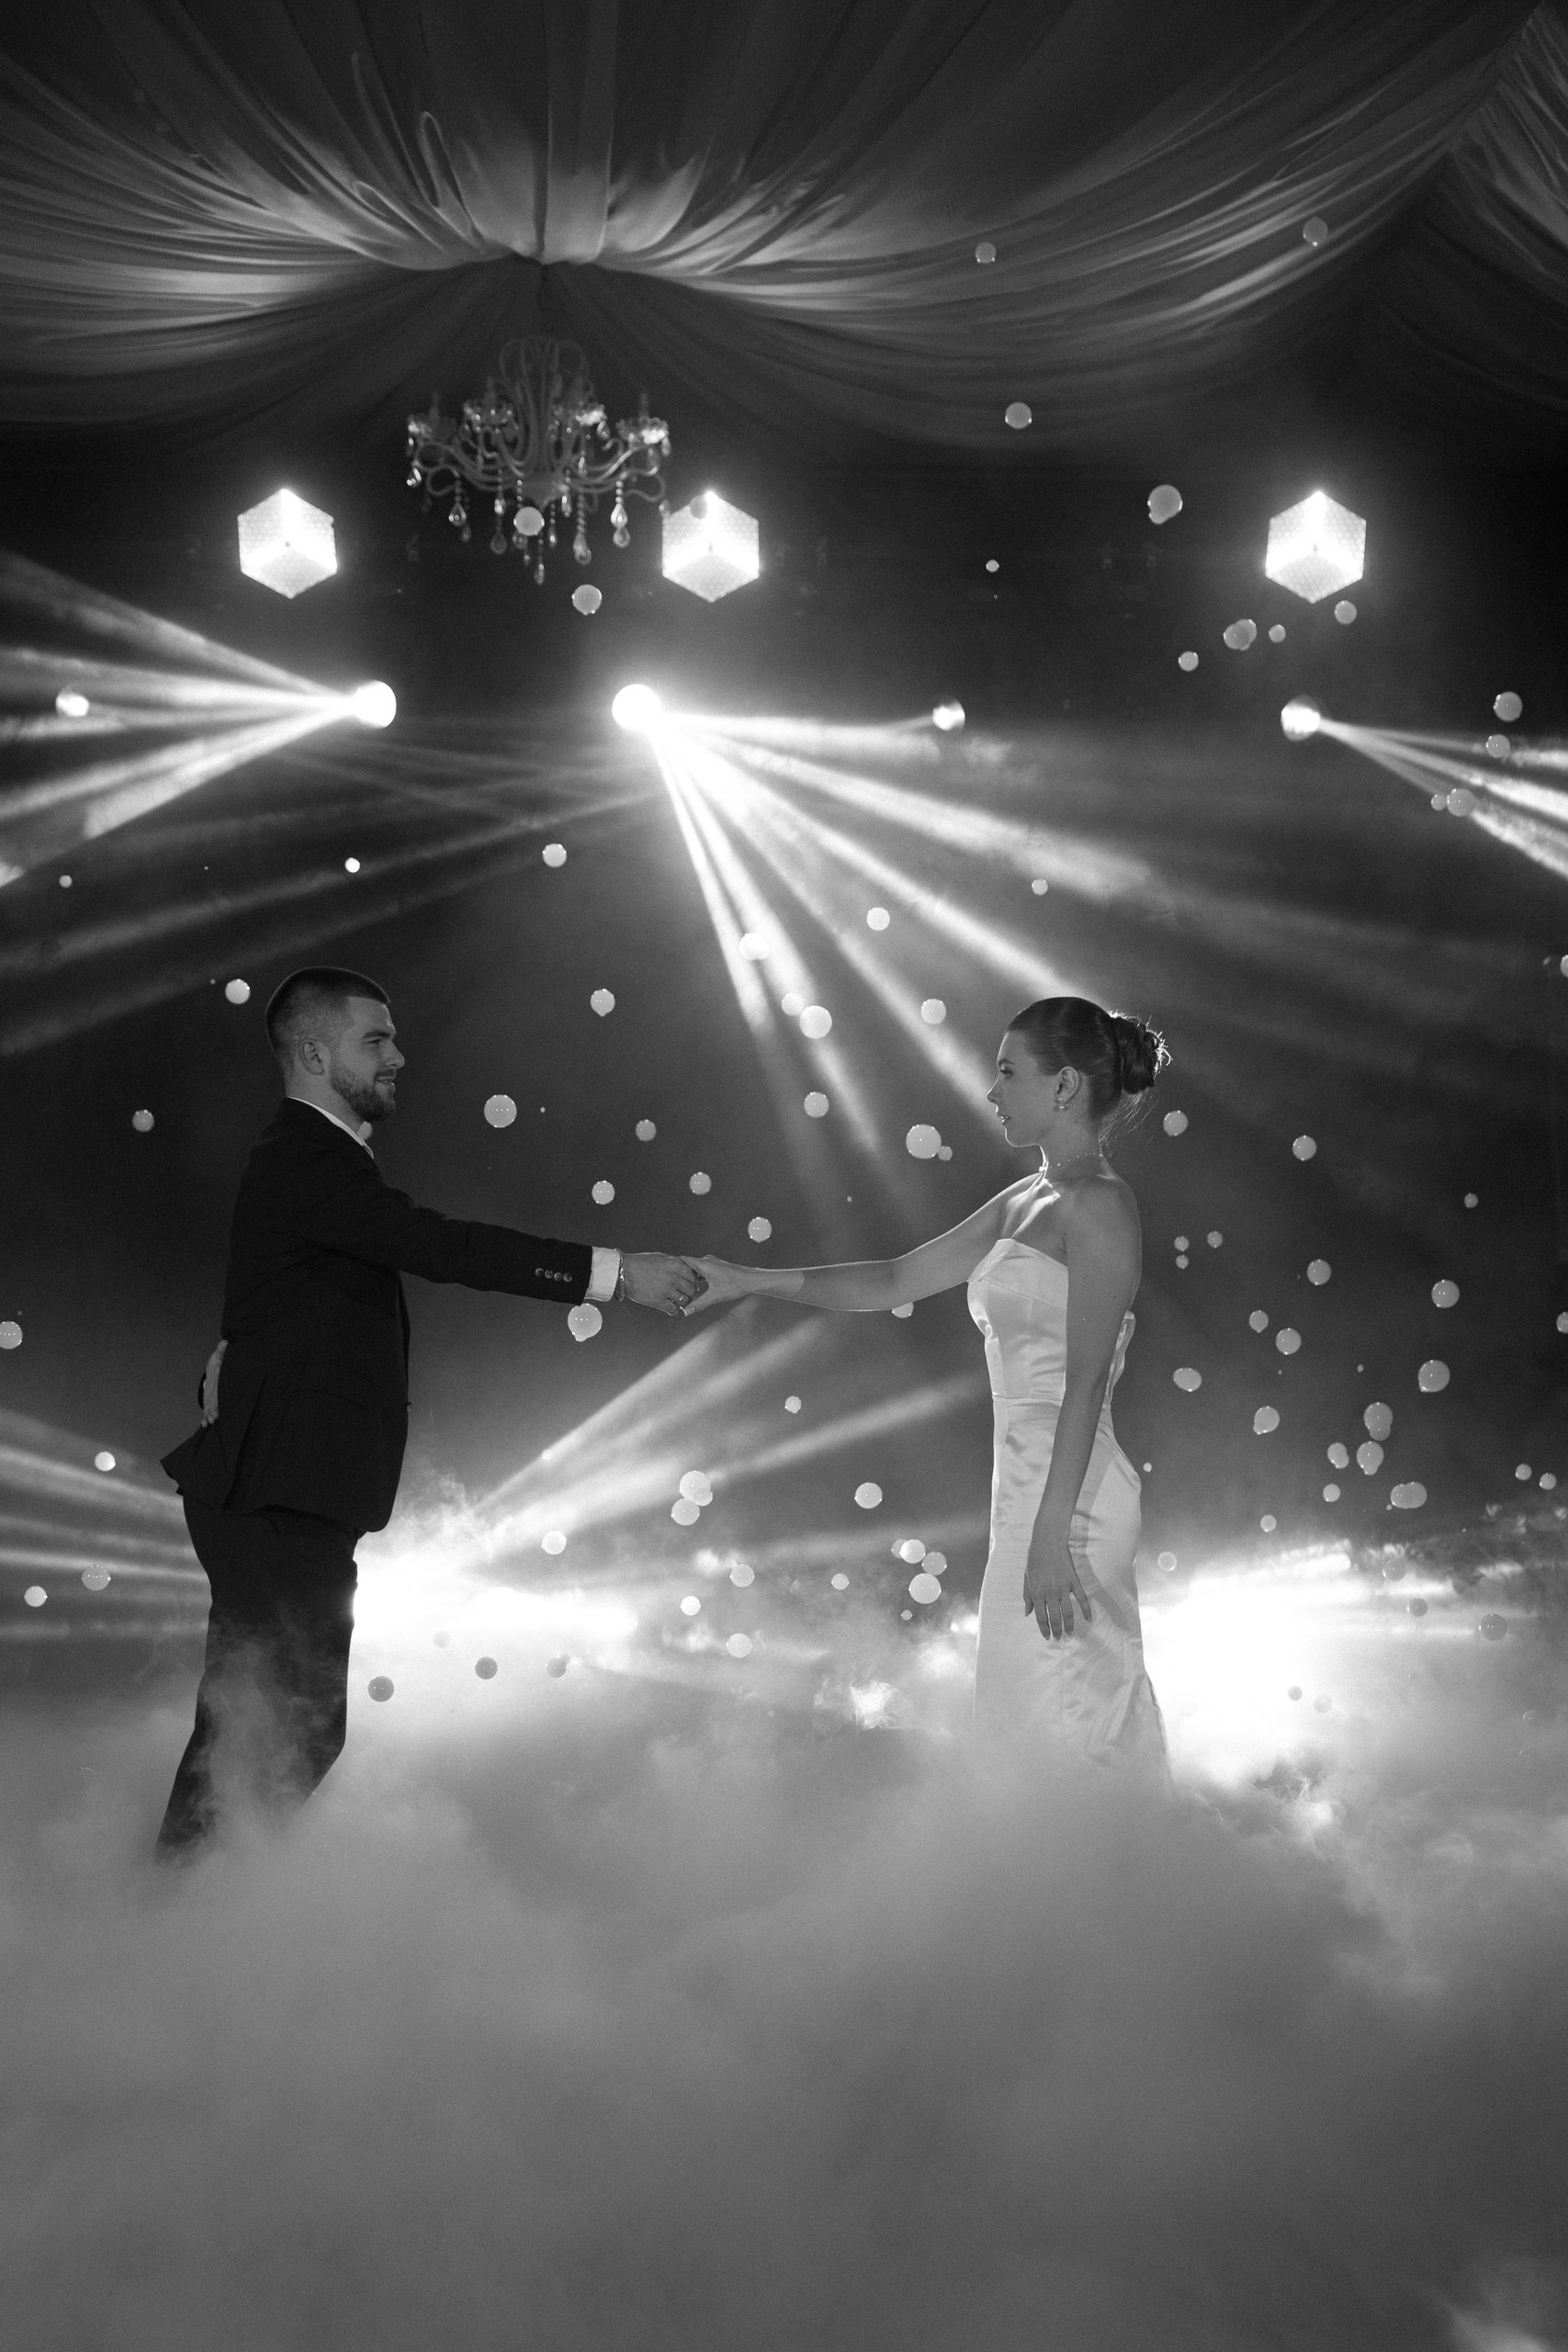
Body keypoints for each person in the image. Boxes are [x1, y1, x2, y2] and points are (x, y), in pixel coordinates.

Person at [155, 966, 705, 1857]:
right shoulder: (304, 1154)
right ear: (313, 1052)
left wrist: (232, 1365)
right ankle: (175, 1911)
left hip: (289, 1488)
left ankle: (187, 1908)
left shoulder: (314, 1160)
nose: (399, 1056)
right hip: (275, 1493)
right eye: (375, 1038)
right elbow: (441, 1244)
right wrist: (612, 1274)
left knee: (279, 1732)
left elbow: (269, 1307)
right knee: (270, 1734)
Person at [687, 996, 1168, 1762]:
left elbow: (1083, 1384)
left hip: (1068, 1501)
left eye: (1008, 1072)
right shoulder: (1025, 1200)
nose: (991, 1091)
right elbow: (894, 1278)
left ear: (1064, 1085)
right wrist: (747, 1279)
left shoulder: (1101, 1205)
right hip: (1026, 1494)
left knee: (1064, 1728)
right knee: (1023, 1729)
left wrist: (1051, 1533)